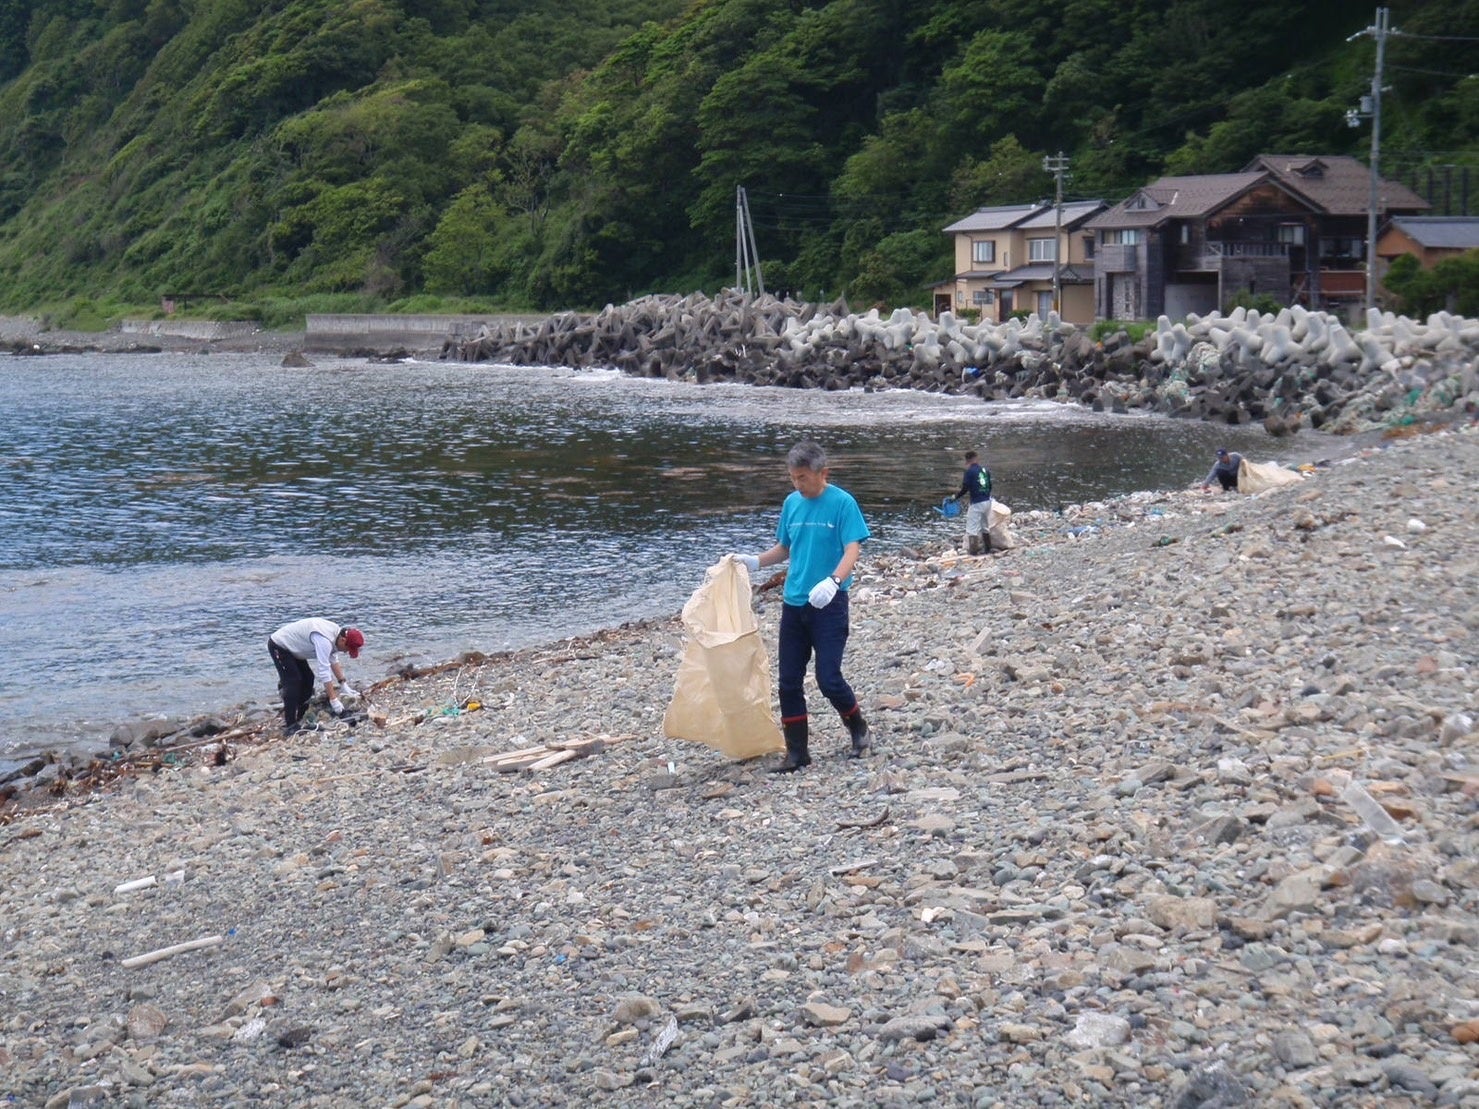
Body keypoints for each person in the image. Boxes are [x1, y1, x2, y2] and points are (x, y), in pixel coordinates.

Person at [732, 440, 872, 773]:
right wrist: (753, 562)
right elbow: (784, 548)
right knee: (789, 681)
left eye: (803, 478)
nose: (798, 484)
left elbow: (853, 549)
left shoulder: (842, 503)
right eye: (793, 478)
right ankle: (797, 752)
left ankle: (858, 728)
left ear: (823, 473)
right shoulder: (792, 504)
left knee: (828, 678)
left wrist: (834, 581)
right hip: (794, 604)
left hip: (828, 603)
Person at [268, 618, 364, 735]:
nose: (345, 652)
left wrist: (343, 684)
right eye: (347, 649)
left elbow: (333, 660)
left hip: (295, 650)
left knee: (308, 678)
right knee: (293, 681)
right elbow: (324, 672)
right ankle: (290, 725)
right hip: (280, 645)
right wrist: (334, 700)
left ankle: (300, 715)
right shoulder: (324, 640)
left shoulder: (336, 637)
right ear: (343, 640)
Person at [954, 449, 994, 555]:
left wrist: (956, 497)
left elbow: (965, 487)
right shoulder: (985, 470)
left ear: (967, 461)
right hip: (987, 500)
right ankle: (988, 548)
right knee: (984, 525)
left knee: (972, 528)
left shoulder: (969, 472)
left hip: (977, 502)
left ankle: (973, 551)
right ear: (977, 459)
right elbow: (990, 486)